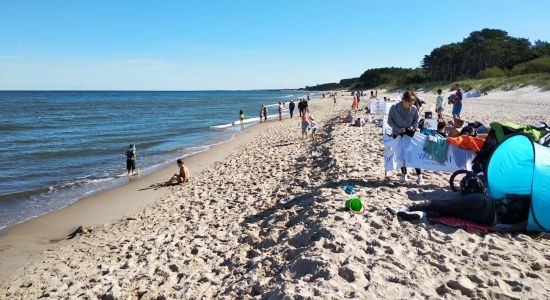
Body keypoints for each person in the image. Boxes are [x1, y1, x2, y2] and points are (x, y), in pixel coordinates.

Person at [388, 193, 531, 228]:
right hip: (489, 220)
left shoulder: (531, 195)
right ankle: (422, 215)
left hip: (487, 203)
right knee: (452, 213)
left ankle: (408, 208)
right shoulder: (539, 215)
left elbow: (508, 196)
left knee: (445, 204)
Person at [387, 91, 424, 184]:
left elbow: (416, 121)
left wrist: (410, 128)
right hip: (397, 134)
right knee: (400, 155)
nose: (411, 105)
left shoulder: (414, 108)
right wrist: (397, 129)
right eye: (410, 103)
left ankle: (419, 176)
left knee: (414, 155)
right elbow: (389, 120)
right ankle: (404, 174)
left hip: (410, 134)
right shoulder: (394, 108)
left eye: (413, 103)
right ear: (404, 100)